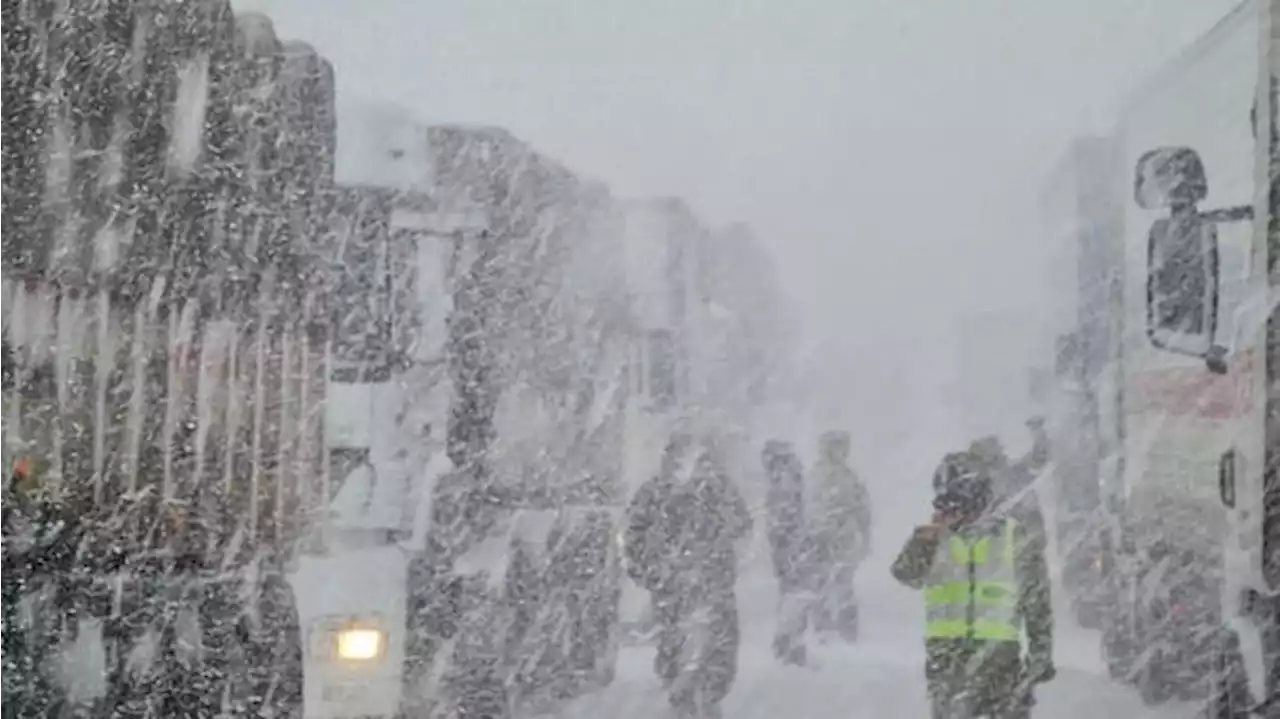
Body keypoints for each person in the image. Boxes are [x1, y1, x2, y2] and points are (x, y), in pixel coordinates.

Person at [891, 450, 1055, 719]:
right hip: (947, 664)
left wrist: (1040, 654)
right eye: (942, 505)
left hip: (1001, 667)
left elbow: (1037, 600)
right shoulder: (933, 539)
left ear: (975, 498)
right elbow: (905, 574)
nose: (946, 513)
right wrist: (923, 542)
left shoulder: (1013, 537)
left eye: (953, 505)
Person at [625, 432, 753, 718]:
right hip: (683, 582)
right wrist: (649, 569)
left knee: (708, 640)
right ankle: (691, 692)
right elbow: (634, 535)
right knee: (691, 639)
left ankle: (698, 693)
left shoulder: (709, 490)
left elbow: (741, 525)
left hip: (695, 581)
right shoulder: (660, 491)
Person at [810, 429, 871, 642]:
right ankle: (825, 628)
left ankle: (846, 630)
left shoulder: (849, 477)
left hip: (842, 539)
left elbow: (863, 511)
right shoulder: (817, 476)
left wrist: (864, 536)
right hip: (822, 539)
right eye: (838, 447)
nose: (842, 452)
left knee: (842, 584)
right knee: (823, 584)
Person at [762, 439, 813, 665]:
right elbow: (787, 512)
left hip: (787, 542)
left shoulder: (778, 479)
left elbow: (778, 516)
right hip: (793, 542)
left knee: (792, 591)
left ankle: (789, 639)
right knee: (797, 590)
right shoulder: (787, 478)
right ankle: (790, 640)